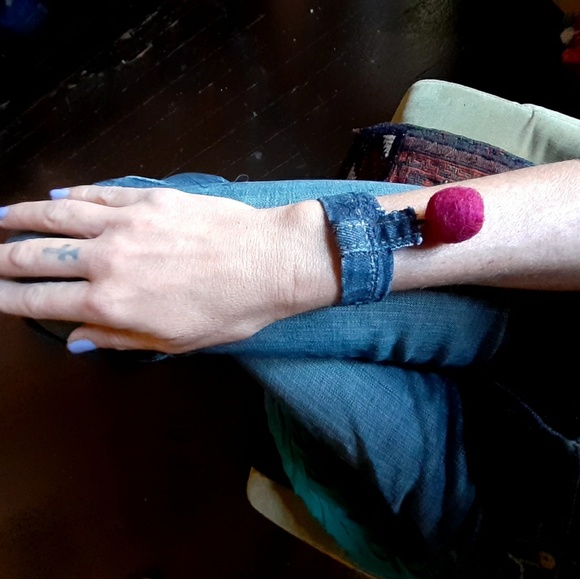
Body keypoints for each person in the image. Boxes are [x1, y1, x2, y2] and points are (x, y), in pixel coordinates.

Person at [1, 160, 580, 577]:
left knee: (78, 286)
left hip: (502, 516)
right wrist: (285, 256)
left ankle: (166, 321)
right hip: (545, 320)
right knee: (56, 248)